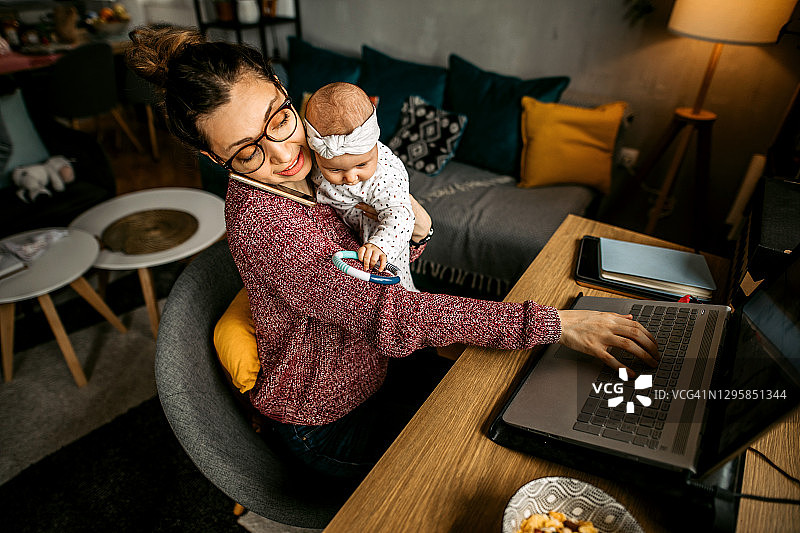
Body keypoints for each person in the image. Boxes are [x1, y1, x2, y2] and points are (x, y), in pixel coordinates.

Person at [126, 25, 658, 479]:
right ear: (209, 155)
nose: (285, 154)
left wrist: (412, 234)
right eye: (246, 152)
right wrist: (555, 324)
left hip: (375, 369)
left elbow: (378, 271)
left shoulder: (320, 161)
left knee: (513, 398)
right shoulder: (265, 227)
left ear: (284, 91)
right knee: (482, 461)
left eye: (279, 120)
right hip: (327, 419)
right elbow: (388, 310)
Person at [305, 82, 417, 291]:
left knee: (397, 289)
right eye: (336, 170)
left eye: (361, 165)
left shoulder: (385, 173)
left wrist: (380, 245)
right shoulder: (314, 161)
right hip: (345, 238)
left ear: (375, 144)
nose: (351, 177)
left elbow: (401, 215)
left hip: (382, 238)